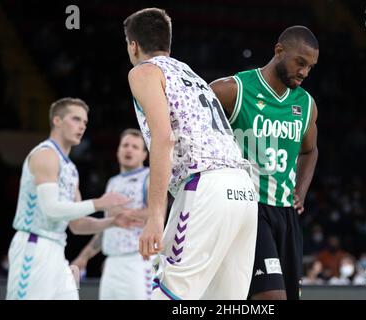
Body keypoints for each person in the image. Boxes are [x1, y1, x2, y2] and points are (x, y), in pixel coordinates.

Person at [124, 8, 258, 300]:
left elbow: (163, 138)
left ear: (133, 45)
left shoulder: (144, 72)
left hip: (206, 186)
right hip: (245, 191)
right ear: (167, 43)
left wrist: (155, 215)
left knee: (169, 295)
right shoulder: (191, 74)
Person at [210, 26, 319, 299]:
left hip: (287, 214)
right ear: (279, 51)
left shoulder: (305, 104)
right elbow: (189, 119)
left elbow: (310, 151)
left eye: (311, 67)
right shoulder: (234, 89)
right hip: (248, 208)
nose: (305, 72)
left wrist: (300, 192)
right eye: (300, 63)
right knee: (271, 297)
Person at [6, 98, 133, 300]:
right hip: (34, 245)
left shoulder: (71, 169)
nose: (82, 126)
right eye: (76, 119)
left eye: (84, 122)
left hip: (57, 250)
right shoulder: (45, 155)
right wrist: (99, 203)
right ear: (57, 120)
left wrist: (112, 222)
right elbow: (51, 209)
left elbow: (77, 224)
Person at [72, 128, 154, 300]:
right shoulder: (112, 183)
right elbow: (106, 227)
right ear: (118, 151)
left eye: (135, 147)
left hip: (138, 261)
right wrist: (83, 257)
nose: (129, 149)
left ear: (144, 155)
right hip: (111, 262)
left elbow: (157, 213)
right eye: (125, 145)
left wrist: (126, 214)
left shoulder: (149, 177)